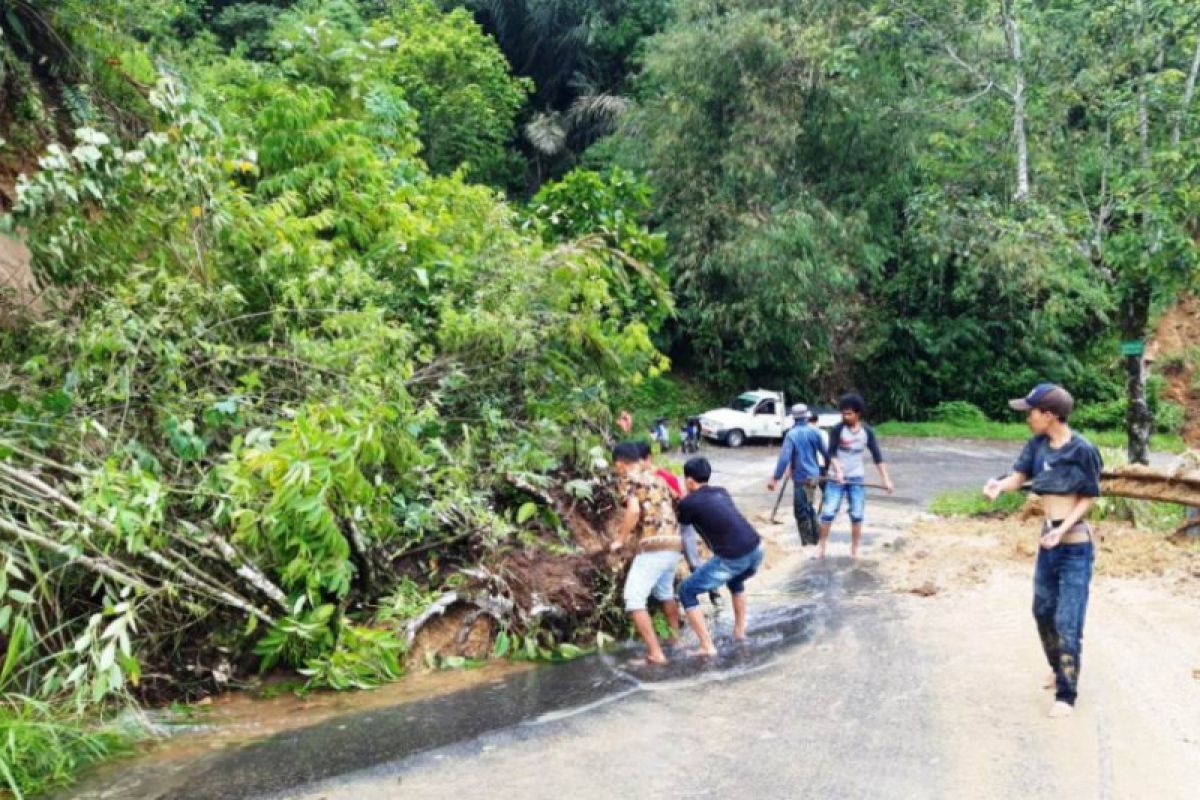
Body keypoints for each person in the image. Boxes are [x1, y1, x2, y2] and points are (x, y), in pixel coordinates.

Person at [983, 383, 1103, 718]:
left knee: (1068, 620)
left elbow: (1089, 497)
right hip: (1049, 544)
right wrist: (998, 486)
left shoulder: (1083, 450)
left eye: (1031, 412)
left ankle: (1067, 694)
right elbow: (1018, 477)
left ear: (1049, 415)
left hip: (1075, 546)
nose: (1028, 418)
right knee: (1042, 611)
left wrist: (1062, 529)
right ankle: (1057, 665)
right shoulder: (1037, 446)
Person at [677, 457, 765, 656]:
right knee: (735, 580)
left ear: (689, 481)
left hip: (735, 557)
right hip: (757, 548)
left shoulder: (687, 503)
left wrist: (694, 565)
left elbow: (687, 536)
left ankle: (707, 647)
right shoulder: (721, 492)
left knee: (686, 591)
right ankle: (739, 631)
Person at [610, 442, 683, 665]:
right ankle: (675, 640)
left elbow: (633, 511)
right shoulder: (658, 478)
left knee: (633, 599)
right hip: (674, 543)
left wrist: (619, 540)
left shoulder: (627, 479)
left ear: (620, 464)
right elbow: (677, 500)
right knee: (665, 592)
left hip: (653, 546)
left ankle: (655, 654)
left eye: (616, 467)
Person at [817, 393, 894, 559]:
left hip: (856, 478)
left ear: (858, 413)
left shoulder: (867, 432)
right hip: (836, 478)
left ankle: (854, 550)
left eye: (849, 413)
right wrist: (838, 471)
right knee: (828, 512)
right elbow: (831, 453)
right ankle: (821, 547)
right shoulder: (837, 430)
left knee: (857, 514)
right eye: (843, 413)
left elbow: (877, 457)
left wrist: (886, 479)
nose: (845, 416)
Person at [768, 403, 829, 547]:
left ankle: (807, 544)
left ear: (794, 418)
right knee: (809, 506)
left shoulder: (792, 435)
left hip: (802, 479)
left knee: (801, 511)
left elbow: (784, 459)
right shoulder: (815, 432)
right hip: (814, 477)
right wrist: (828, 469)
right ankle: (817, 540)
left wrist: (775, 478)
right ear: (806, 417)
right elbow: (827, 453)